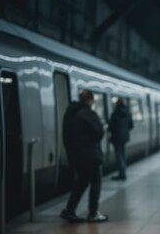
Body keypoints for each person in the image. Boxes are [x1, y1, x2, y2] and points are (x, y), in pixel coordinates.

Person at [60, 90, 108, 223]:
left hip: (77, 155)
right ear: (90, 100)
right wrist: (102, 128)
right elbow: (98, 132)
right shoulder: (88, 113)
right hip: (90, 154)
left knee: (81, 182)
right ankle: (93, 213)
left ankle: (69, 210)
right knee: (96, 181)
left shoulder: (71, 113)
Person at [108, 97, 134, 180]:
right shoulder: (128, 113)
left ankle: (122, 174)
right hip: (124, 137)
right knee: (122, 155)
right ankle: (123, 172)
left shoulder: (115, 113)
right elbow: (131, 126)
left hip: (116, 137)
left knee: (119, 156)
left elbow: (111, 126)